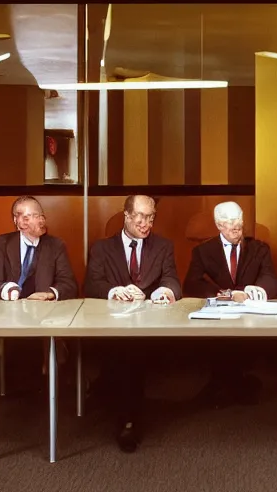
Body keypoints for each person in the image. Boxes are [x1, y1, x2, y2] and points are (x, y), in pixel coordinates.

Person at [84, 194, 181, 453]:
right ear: (126, 216)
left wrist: (164, 293)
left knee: (131, 354)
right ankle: (126, 417)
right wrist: (114, 290)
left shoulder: (163, 246)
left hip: (148, 323)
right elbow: (91, 284)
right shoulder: (102, 248)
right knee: (124, 354)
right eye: (140, 216)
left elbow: (172, 281)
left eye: (151, 217)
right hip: (111, 323)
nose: (145, 223)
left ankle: (127, 420)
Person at [184, 201, 277, 408]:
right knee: (220, 342)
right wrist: (224, 294)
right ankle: (228, 384)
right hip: (220, 313)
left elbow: (272, 279)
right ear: (218, 225)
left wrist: (260, 289)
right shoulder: (203, 251)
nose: (236, 225)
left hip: (251, 315)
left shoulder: (259, 248)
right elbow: (191, 283)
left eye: (239, 219)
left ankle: (236, 383)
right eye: (229, 221)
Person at [0, 196, 77, 301]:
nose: (29, 222)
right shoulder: (1, 243)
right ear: (15, 220)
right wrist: (9, 291)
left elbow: (69, 285)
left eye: (34, 216)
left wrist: (49, 294)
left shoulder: (56, 245)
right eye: (23, 217)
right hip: (8, 310)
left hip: (42, 310)